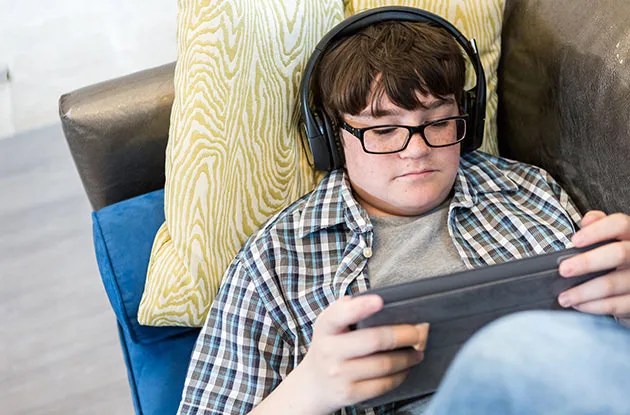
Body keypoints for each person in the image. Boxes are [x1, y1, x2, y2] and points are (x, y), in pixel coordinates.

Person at [177, 11, 630, 415]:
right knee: (509, 346)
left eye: (437, 122)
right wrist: (310, 389)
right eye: (384, 129)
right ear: (333, 139)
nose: (415, 151)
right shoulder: (275, 261)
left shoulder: (528, 191)